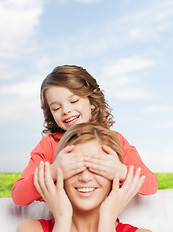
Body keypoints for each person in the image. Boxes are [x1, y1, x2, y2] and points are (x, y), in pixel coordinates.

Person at [12, 65, 158, 206]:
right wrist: (53, 172)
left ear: (92, 102)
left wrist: (120, 171)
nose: (66, 110)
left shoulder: (114, 140)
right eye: (56, 108)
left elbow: (151, 185)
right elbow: (18, 196)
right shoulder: (49, 145)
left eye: (74, 101)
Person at [16, 123, 157, 232]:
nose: (85, 177)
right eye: (75, 167)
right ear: (61, 176)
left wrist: (107, 220)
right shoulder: (31, 231)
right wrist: (62, 219)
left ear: (115, 176)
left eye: (97, 168)